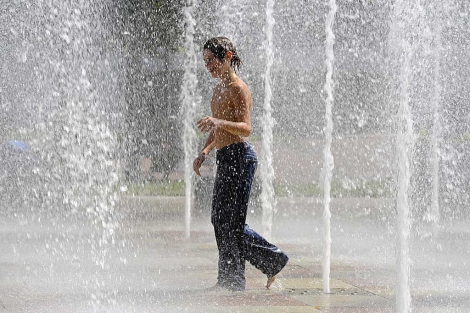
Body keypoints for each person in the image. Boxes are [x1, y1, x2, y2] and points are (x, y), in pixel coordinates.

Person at [193, 37, 288, 292]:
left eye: (211, 60)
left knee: (232, 224)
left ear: (226, 57)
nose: (208, 66)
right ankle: (234, 275)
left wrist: (217, 122)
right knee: (219, 220)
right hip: (225, 157)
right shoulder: (218, 90)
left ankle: (247, 272)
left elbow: (246, 129)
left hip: (241, 157)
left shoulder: (239, 88)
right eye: (205, 62)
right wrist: (204, 151)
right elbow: (218, 129)